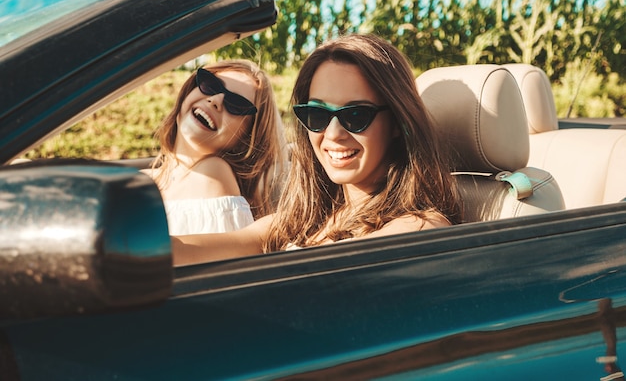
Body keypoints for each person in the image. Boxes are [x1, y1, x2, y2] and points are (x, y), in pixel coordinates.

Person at [171, 33, 462, 265]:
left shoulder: (418, 228)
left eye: (356, 116)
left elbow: (324, 281)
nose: (332, 134)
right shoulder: (304, 219)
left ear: (397, 122)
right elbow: (200, 250)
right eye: (317, 116)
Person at [143, 59, 287, 235]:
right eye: (210, 84)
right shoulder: (144, 178)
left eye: (236, 104)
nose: (215, 100)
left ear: (246, 138)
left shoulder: (213, 174)